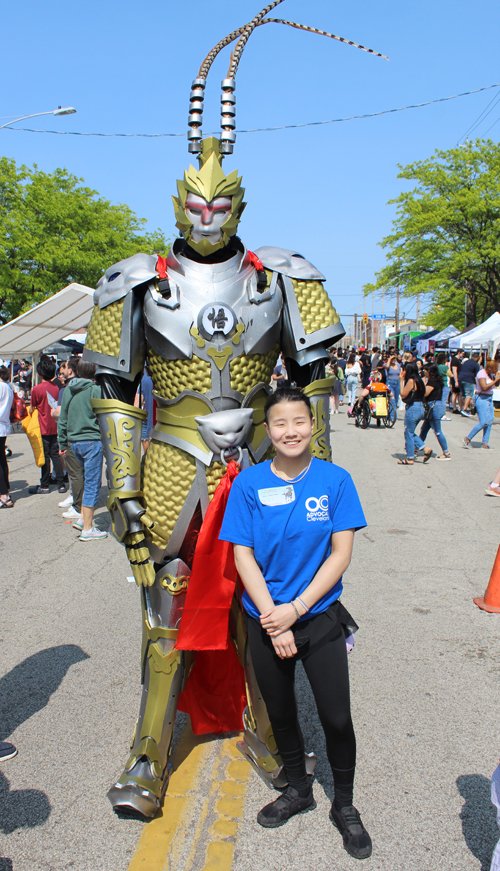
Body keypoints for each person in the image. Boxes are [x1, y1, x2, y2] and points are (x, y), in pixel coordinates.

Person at [219, 388, 371, 859]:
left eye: (300, 421)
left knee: (336, 718)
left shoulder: (335, 480)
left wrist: (297, 610)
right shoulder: (248, 484)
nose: (291, 431)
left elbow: (340, 555)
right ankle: (299, 790)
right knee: (281, 715)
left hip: (318, 616)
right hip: (266, 620)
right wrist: (275, 621)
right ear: (267, 430)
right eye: (280, 423)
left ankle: (343, 804)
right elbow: (241, 554)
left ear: (313, 424)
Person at [58, 360, 106, 540]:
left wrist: (62, 443)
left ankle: (82, 518)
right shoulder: (96, 390)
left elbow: (63, 418)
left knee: (85, 481)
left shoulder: (69, 389)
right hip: (92, 441)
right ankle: (87, 528)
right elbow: (103, 417)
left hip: (73, 442)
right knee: (92, 484)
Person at [29, 356, 66, 494]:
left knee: (44, 456)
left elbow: (32, 408)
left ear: (39, 374)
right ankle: (61, 484)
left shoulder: (37, 389)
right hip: (56, 426)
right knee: (56, 455)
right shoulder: (58, 387)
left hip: (42, 426)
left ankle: (44, 485)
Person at [52, 357, 84, 519]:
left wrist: (52, 412)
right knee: (84, 473)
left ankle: (78, 505)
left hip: (73, 435)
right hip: (88, 435)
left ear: (70, 370)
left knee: (75, 472)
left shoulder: (67, 389)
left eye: (64, 366)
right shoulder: (89, 386)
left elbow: (60, 413)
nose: (62, 369)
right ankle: (79, 501)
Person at [416, 364, 450, 461]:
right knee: (424, 429)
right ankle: (416, 448)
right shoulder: (436, 380)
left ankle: (446, 453)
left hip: (434, 408)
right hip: (434, 407)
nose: (424, 373)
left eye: (425, 371)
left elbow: (425, 393)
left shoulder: (432, 381)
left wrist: (422, 384)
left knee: (438, 431)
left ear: (429, 371)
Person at [462, 361, 500, 450]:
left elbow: (496, 385)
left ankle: (485, 443)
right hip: (482, 398)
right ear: (489, 367)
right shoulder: (481, 373)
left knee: (490, 421)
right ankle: (467, 438)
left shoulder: (490, 374)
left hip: (489, 398)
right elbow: (484, 387)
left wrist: (497, 379)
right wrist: (496, 380)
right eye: (494, 368)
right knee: (484, 421)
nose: (495, 370)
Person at [397, 362, 426, 465]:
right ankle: (424, 448)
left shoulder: (411, 381)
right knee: (410, 432)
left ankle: (410, 458)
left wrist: (401, 381)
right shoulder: (419, 380)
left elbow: (403, 395)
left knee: (408, 433)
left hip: (413, 408)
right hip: (420, 407)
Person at [0, 366, 14, 507]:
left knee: (1, 461)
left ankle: (3, 495)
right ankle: (6, 491)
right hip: (4, 426)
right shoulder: (8, 387)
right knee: (2, 460)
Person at [457, 351, 480, 416]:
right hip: (468, 379)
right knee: (469, 395)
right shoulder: (475, 364)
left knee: (464, 395)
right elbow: (477, 374)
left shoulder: (466, 362)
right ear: (477, 358)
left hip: (460, 378)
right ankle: (464, 409)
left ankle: (462, 408)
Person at [436, 352, 451, 419]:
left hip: (438, 384)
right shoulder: (445, 367)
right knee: (444, 400)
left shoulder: (436, 366)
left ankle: (438, 412)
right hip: (445, 384)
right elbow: (450, 374)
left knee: (438, 399)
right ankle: (442, 413)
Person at [450, 349, 464, 414]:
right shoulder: (455, 360)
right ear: (459, 353)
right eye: (462, 353)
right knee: (455, 393)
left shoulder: (459, 360)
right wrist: (456, 381)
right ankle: (454, 408)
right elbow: (454, 371)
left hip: (458, 379)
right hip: (456, 379)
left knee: (459, 393)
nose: (463, 355)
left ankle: (460, 407)